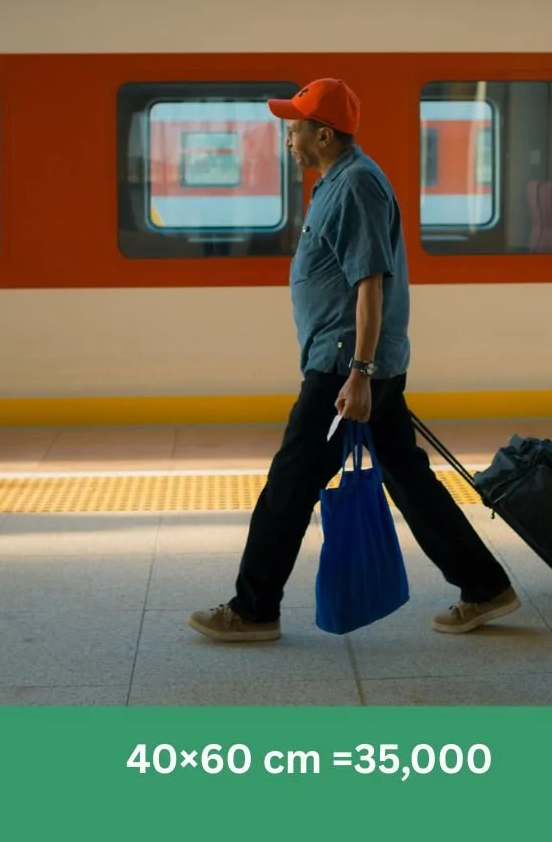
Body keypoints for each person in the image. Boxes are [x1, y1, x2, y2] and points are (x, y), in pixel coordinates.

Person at [189, 78, 519, 642]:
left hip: (346, 367)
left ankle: (253, 608)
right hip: (354, 363)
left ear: (322, 134)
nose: (288, 138)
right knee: (409, 481)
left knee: (290, 483)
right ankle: (486, 586)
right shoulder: (337, 181)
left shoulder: (356, 186)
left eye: (294, 128)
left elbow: (371, 285)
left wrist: (360, 374)